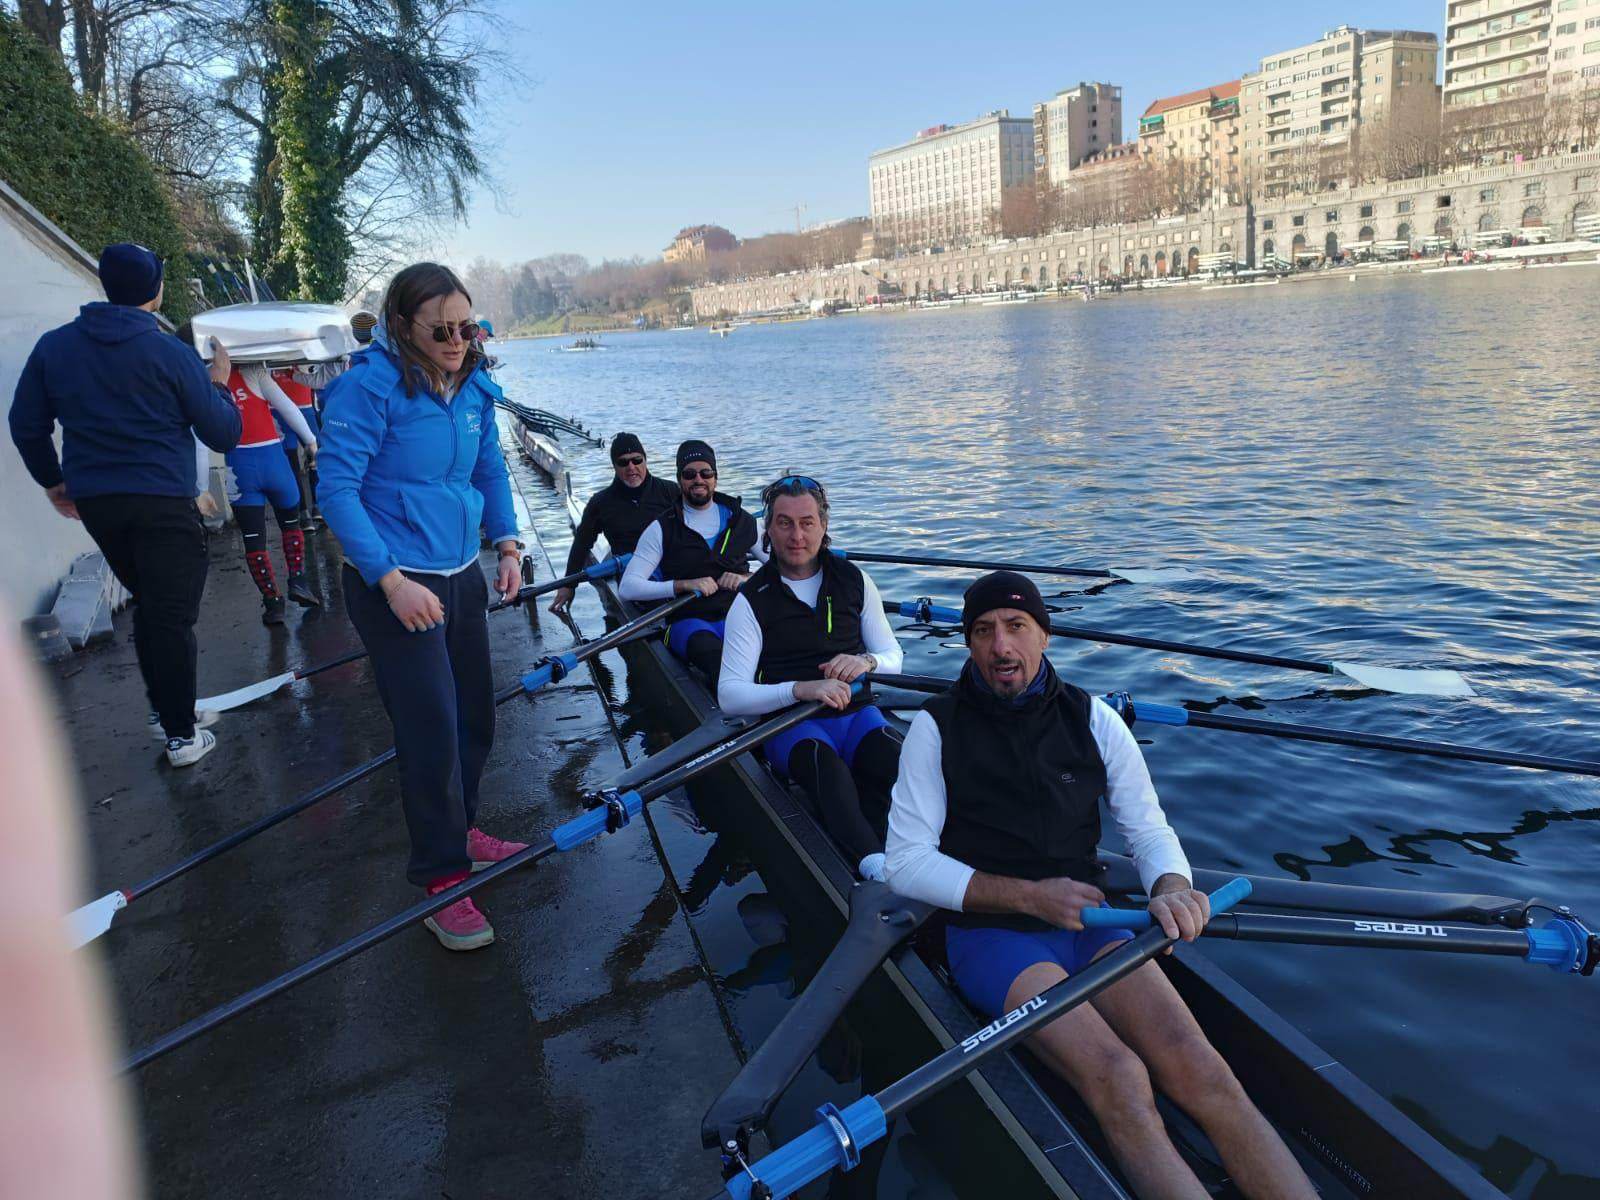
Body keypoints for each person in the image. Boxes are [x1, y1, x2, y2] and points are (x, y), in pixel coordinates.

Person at [885, 572, 1316, 1200]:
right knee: (1120, 1078)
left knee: (1206, 1072)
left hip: (1091, 929)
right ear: (969, 645)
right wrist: (1029, 897)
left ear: (1044, 636)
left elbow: (1148, 829)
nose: (1000, 646)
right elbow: (905, 863)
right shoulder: (935, 728)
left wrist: (1170, 887)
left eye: (1016, 627)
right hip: (993, 938)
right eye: (982, 632)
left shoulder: (1096, 720)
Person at [317, 262, 527, 953]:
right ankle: (442, 882)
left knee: (474, 714)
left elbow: (489, 467)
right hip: (397, 584)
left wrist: (507, 543)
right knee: (431, 726)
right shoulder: (364, 389)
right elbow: (338, 491)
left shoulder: (471, 384)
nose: (459, 340)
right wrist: (389, 579)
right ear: (401, 324)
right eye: (443, 329)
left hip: (461, 570)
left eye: (468, 327)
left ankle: (460, 826)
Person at [9, 243, 242, 767]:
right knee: (172, 613)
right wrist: (221, 386)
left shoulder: (55, 347)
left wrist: (55, 481)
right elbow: (223, 432)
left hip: (98, 503)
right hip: (161, 499)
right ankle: (181, 736)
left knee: (153, 604)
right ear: (156, 291)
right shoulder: (171, 353)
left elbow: (25, 423)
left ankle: (168, 712)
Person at [717, 475, 904, 881]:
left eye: (806, 523)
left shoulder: (855, 580)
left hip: (857, 717)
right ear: (768, 530)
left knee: (904, 764)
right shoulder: (751, 601)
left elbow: (895, 657)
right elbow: (730, 696)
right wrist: (801, 689)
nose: (796, 535)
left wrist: (867, 662)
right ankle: (877, 873)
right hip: (793, 726)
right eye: (784, 523)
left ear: (823, 526)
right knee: (829, 774)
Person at [617, 439, 763, 681]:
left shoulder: (743, 521)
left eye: (706, 473)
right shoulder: (661, 529)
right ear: (679, 479)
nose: (698, 479)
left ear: (715, 478)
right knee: (718, 663)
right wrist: (683, 585)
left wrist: (746, 578)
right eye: (689, 473)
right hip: (688, 621)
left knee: (771, 659)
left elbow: (786, 569)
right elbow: (628, 588)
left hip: (737, 615)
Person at [221, 365, 319, 623]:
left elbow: (197, 438)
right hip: (274, 462)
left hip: (238, 469)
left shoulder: (199, 380)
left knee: (253, 540)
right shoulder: (253, 372)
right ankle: (297, 579)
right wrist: (310, 441)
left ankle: (273, 603)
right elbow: (287, 408)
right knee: (291, 525)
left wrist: (197, 487)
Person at [549, 432, 677, 615]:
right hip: (631, 573)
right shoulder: (601, 503)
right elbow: (581, 544)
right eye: (623, 462)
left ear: (645, 460)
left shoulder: (670, 491)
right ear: (614, 466)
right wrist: (568, 585)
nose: (631, 467)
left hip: (670, 565)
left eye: (637, 460)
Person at [273, 366, 322, 528]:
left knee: (311, 459)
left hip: (289, 407)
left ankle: (311, 510)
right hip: (290, 407)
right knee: (298, 460)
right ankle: (308, 511)